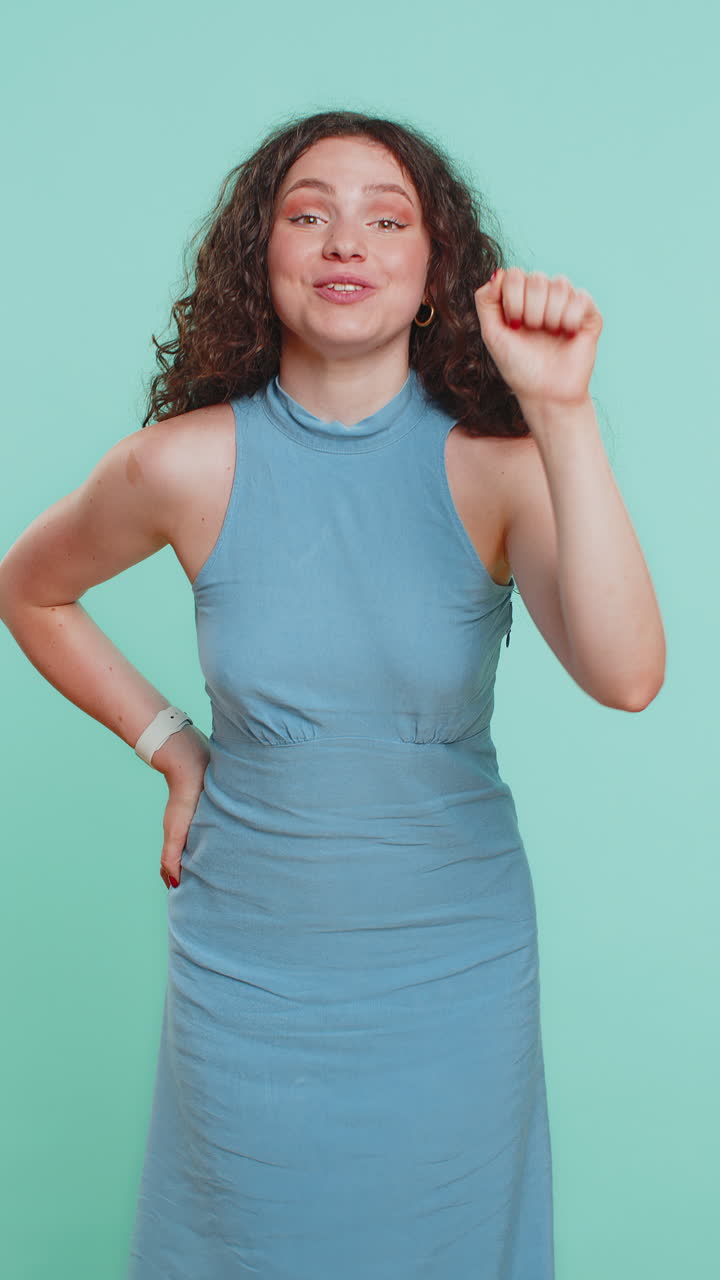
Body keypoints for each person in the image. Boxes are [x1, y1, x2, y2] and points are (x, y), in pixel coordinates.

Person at [0, 109, 665, 1279]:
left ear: (431, 276)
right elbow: (29, 588)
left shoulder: (501, 467)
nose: (343, 238)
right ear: (263, 260)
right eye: (308, 214)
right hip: (248, 968)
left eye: (384, 217)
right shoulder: (181, 463)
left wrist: (562, 411)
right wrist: (171, 744)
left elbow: (628, 674)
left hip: (455, 971)